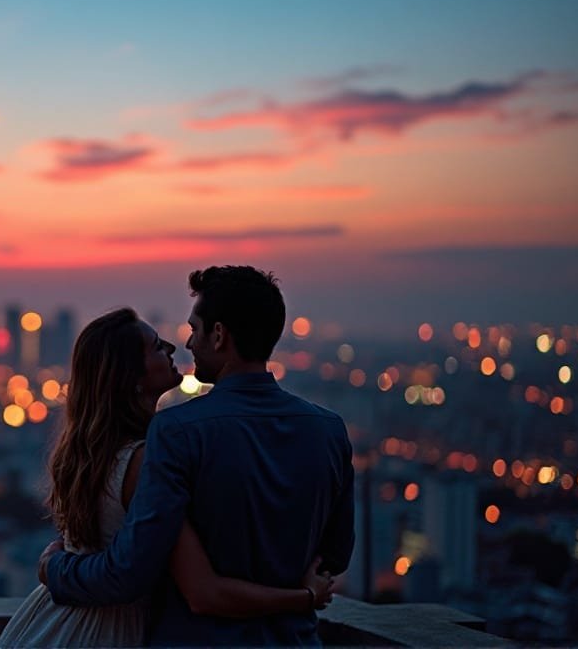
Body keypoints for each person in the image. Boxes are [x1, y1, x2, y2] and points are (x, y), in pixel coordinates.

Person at [41, 267, 355, 646]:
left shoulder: (177, 432)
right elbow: (335, 555)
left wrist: (54, 566)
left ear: (219, 335)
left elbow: (131, 570)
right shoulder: (329, 429)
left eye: (194, 329)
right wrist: (298, 592)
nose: (186, 344)